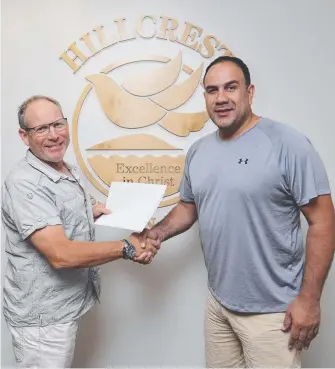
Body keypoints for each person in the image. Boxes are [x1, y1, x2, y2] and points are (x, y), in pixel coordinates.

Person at [136, 56, 335, 368]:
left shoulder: (287, 144)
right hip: (219, 305)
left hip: (273, 312)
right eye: (212, 90)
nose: (221, 98)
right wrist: (156, 233)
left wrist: (309, 300)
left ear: (250, 92)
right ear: (205, 97)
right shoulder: (199, 151)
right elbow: (189, 207)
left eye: (231, 87)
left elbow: (323, 221)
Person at [1, 95, 155, 368]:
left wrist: (102, 211)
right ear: (24, 136)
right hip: (43, 320)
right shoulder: (24, 183)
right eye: (41, 129)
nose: (54, 135)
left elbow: (70, 209)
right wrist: (127, 247)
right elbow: (61, 255)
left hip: (68, 305)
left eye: (58, 124)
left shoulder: (67, 170)